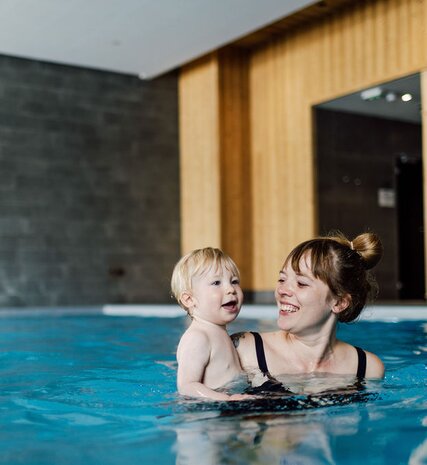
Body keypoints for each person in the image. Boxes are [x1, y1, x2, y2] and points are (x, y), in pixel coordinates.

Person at [232, 231, 385, 392]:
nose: (283, 290)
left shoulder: (368, 369)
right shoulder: (245, 349)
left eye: (301, 283)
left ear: (339, 302)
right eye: (282, 279)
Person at [171, 247, 250, 401]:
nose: (230, 289)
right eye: (216, 282)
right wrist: (228, 399)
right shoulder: (198, 337)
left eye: (234, 281)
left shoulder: (217, 332)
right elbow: (187, 386)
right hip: (211, 411)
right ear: (189, 299)